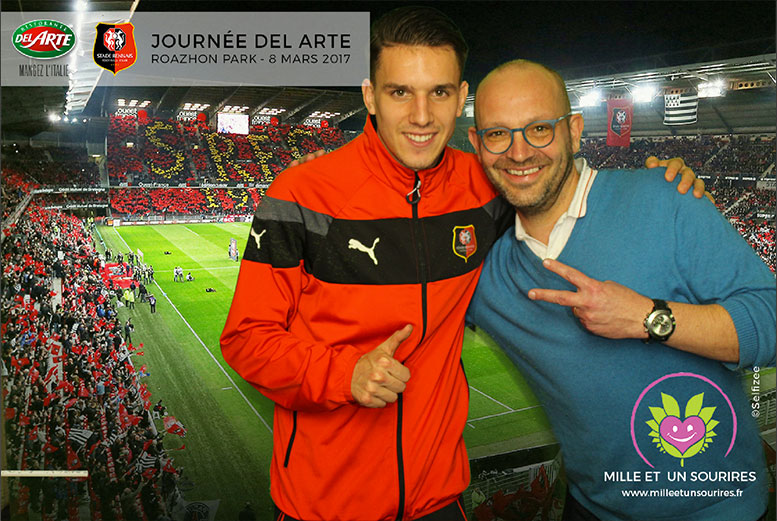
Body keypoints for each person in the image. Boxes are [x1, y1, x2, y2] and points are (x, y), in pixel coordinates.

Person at [221, 7, 704, 521]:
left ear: (462, 99)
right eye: (400, 92)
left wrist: (655, 188)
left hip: (439, 500)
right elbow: (246, 338)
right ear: (369, 96)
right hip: (324, 505)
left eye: (440, 92)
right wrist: (345, 374)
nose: (422, 116)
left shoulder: (485, 185)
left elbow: (565, 197)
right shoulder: (301, 195)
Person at [465, 60, 775, 521]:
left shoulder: (665, 196)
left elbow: (770, 319)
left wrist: (649, 318)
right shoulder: (484, 274)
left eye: (539, 129)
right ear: (476, 144)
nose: (519, 151)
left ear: (574, 131)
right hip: (593, 508)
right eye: (498, 134)